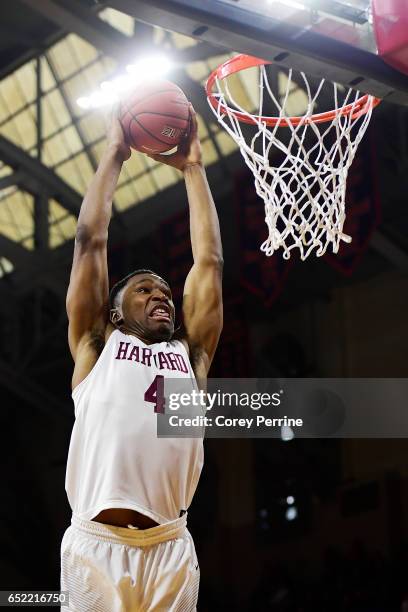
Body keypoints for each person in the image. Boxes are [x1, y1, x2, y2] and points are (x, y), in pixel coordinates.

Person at [60, 103, 223, 611]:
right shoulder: (96, 344)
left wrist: (194, 168)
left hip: (171, 545)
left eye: (167, 293)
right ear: (112, 312)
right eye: (145, 290)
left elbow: (210, 262)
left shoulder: (190, 354)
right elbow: (90, 241)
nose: (162, 297)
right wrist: (114, 154)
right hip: (97, 545)